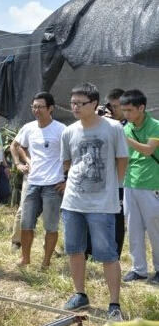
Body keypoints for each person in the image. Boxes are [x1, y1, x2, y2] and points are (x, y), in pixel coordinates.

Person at [60, 83, 128, 322]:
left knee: (108, 254)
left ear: (94, 105)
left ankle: (114, 304)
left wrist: (114, 188)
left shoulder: (113, 128)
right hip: (72, 202)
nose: (76, 107)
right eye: (73, 103)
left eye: (81, 103)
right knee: (75, 250)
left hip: (102, 203)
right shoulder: (69, 131)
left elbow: (122, 159)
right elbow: (67, 163)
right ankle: (80, 294)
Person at [12, 92, 66, 268]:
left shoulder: (61, 130)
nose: (36, 110)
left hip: (53, 185)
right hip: (33, 183)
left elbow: (72, 156)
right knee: (26, 224)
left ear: (51, 108)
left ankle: (45, 262)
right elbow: (19, 146)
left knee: (50, 226)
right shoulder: (29, 128)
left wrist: (67, 180)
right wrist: (21, 163)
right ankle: (25, 258)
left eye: (40, 107)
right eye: (34, 107)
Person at [119, 89, 159, 284]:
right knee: (133, 227)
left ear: (141, 108)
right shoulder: (126, 127)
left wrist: (124, 138)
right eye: (123, 110)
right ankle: (139, 269)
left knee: (155, 227)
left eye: (129, 110)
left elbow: (148, 150)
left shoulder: (155, 126)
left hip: (152, 183)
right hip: (130, 183)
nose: (125, 114)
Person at [85, 88, 128, 260]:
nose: (114, 110)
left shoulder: (127, 125)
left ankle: (114, 254)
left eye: (117, 106)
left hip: (118, 180)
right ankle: (89, 250)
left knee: (116, 218)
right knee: (90, 214)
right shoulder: (99, 123)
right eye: (111, 106)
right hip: (98, 177)